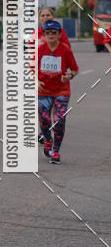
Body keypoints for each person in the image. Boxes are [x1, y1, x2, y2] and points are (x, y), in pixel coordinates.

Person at [36, 20, 79, 164]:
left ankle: (55, 151)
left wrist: (69, 76)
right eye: (47, 33)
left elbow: (75, 69)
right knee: (44, 119)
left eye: (54, 32)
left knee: (59, 120)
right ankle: (48, 139)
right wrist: (36, 81)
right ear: (44, 34)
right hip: (44, 91)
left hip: (61, 91)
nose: (50, 35)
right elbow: (30, 70)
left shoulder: (65, 50)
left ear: (59, 34)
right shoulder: (40, 50)